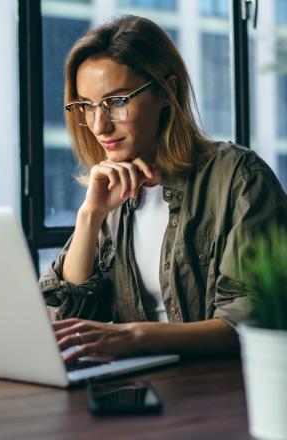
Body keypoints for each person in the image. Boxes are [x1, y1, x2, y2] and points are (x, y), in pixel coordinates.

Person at [39, 15, 287, 363]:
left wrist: (134, 337)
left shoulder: (238, 177)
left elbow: (249, 321)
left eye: (117, 101)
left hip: (220, 392)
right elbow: (61, 321)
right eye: (87, 106)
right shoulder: (111, 193)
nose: (99, 125)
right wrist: (90, 216)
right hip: (140, 388)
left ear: (167, 91)